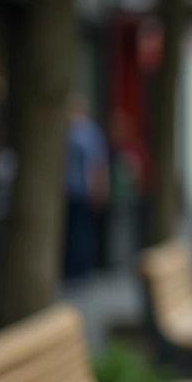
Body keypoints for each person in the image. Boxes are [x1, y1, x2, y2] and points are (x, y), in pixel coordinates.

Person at [63, 94, 108, 281]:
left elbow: (96, 165)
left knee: (80, 230)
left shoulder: (85, 133)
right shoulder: (76, 132)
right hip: (70, 191)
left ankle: (79, 268)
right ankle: (76, 268)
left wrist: (97, 188)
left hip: (80, 191)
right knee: (75, 230)